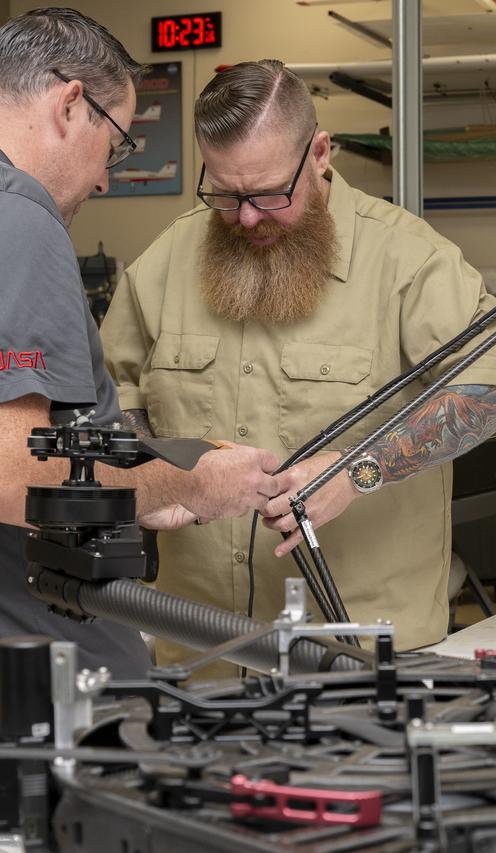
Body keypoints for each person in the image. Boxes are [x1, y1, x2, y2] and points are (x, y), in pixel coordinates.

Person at [101, 60, 496, 669]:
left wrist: (358, 470)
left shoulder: (408, 260)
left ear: (321, 153)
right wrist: (156, 478)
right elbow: (116, 399)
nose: (247, 217)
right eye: (225, 194)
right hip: (199, 647)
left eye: (270, 192)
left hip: (357, 652)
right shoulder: (166, 260)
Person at [0, 9, 283, 678]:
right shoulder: (21, 216)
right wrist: (193, 480)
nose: (104, 180)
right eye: (117, 144)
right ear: (72, 103)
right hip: (48, 675)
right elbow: (14, 473)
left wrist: (145, 480)